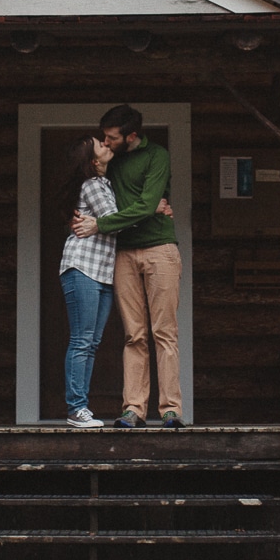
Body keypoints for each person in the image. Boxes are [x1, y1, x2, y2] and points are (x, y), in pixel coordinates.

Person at [72, 104, 183, 428]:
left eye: (111, 138)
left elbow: (148, 204)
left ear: (131, 136)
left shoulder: (156, 156)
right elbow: (133, 204)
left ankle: (170, 409)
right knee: (133, 334)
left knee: (165, 332)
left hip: (160, 249)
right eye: (103, 138)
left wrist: (102, 224)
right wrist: (143, 209)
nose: (105, 143)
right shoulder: (108, 163)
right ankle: (133, 408)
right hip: (122, 253)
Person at [55, 133, 119, 428]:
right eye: (101, 145)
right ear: (94, 161)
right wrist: (153, 209)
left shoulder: (101, 184)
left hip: (100, 272)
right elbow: (114, 220)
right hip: (83, 268)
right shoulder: (93, 185)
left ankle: (80, 406)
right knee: (82, 340)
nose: (107, 145)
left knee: (91, 342)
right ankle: (76, 408)